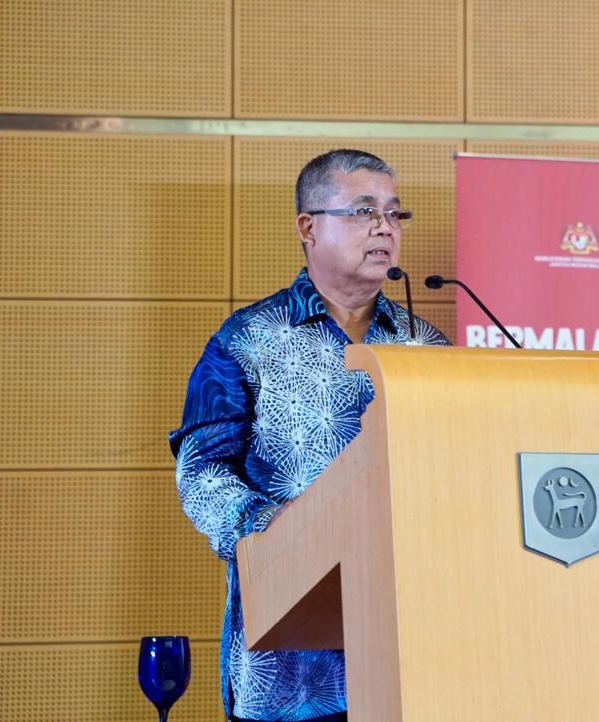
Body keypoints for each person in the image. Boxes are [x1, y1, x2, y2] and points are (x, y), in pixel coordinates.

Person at [170, 149, 450, 721]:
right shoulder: (248, 339)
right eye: (364, 211)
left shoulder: (427, 347)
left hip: (413, 651)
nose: (384, 227)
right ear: (308, 227)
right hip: (292, 673)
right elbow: (201, 473)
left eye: (395, 214)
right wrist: (278, 529)